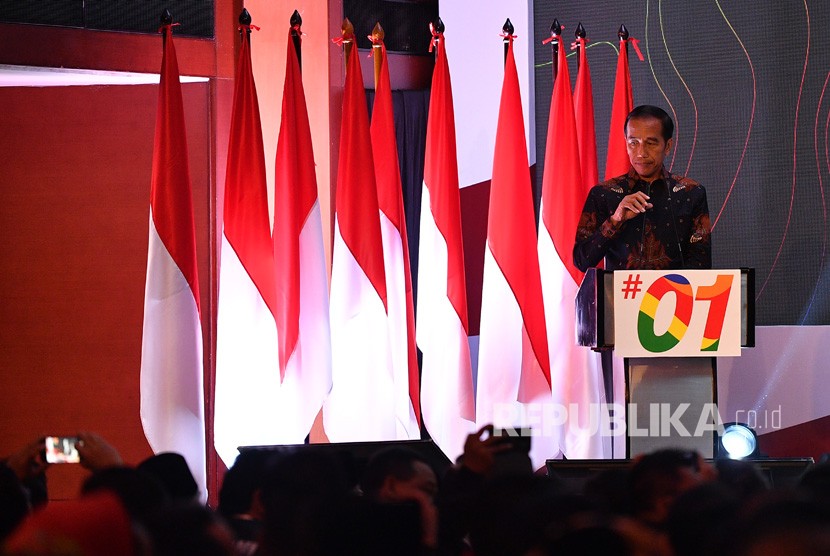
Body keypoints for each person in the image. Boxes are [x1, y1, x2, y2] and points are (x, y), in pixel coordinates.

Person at [574, 105, 711, 271]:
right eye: (633, 143)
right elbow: (581, 261)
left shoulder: (691, 192)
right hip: (622, 294)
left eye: (651, 143)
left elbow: (701, 265)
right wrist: (615, 220)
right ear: (626, 143)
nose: (641, 153)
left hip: (674, 294)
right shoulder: (603, 193)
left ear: (667, 146)